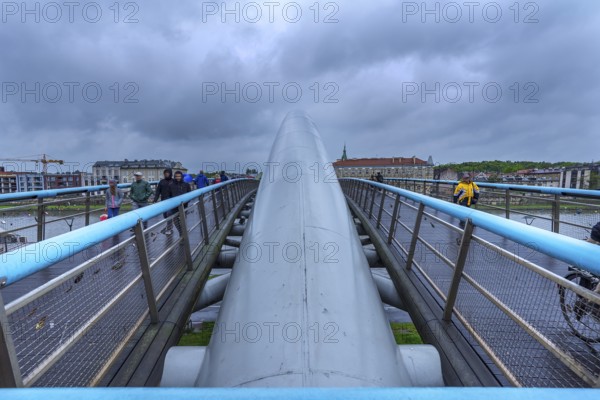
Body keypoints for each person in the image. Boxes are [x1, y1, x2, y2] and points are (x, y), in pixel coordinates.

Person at [169, 170, 192, 236]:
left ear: (181, 176)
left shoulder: (186, 184)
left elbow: (190, 194)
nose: (177, 178)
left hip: (183, 206)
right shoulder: (171, 185)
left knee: (183, 220)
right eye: (176, 176)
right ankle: (181, 232)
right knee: (175, 221)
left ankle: (183, 233)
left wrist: (186, 202)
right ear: (174, 177)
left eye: (179, 176)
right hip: (174, 206)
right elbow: (169, 195)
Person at [154, 168, 175, 234]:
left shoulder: (174, 181)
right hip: (163, 200)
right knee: (165, 215)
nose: (166, 174)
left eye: (167, 172)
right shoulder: (161, 181)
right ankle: (169, 225)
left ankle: (169, 228)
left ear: (170, 173)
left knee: (169, 214)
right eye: (165, 173)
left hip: (171, 200)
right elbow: (158, 191)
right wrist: (155, 200)